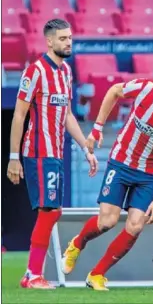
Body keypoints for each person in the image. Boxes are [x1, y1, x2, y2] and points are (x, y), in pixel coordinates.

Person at [60, 62, 153, 291]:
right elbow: (114, 91)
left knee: (135, 226)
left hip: (151, 173)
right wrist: (97, 128)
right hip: (122, 162)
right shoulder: (145, 88)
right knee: (107, 222)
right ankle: (76, 244)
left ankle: (97, 275)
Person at [7, 18, 98, 289]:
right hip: (38, 152)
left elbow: (68, 114)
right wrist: (13, 158)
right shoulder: (35, 71)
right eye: (62, 39)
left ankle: (34, 274)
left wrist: (86, 148)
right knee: (49, 211)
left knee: (53, 211)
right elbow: (19, 114)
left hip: (56, 153)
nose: (68, 42)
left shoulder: (66, 71)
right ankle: (32, 275)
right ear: (49, 41)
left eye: (70, 38)